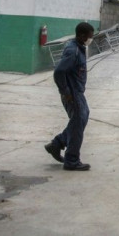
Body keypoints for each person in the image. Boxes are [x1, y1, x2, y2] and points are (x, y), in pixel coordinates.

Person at [45, 22, 95, 171]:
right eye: (89, 37)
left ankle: (57, 143)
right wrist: (65, 92)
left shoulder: (79, 48)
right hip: (72, 94)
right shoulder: (73, 51)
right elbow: (59, 72)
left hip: (78, 92)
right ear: (81, 36)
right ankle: (72, 160)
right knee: (78, 123)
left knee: (81, 119)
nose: (90, 40)